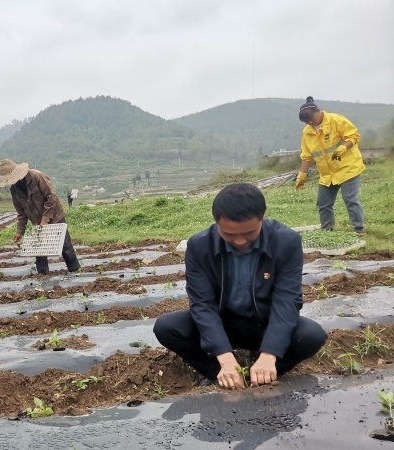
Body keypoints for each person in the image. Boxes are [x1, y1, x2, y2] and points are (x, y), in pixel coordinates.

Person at [153, 183, 326, 389]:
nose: (240, 241)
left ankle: (265, 372)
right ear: (217, 223)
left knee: (312, 335)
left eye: (249, 233)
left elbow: (287, 299)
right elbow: (202, 304)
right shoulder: (200, 246)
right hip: (222, 324)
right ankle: (219, 374)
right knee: (167, 327)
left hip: (263, 325)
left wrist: (270, 353)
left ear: (262, 218)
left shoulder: (286, 242)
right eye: (229, 234)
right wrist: (225, 359)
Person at [0, 159, 80, 275]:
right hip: (36, 220)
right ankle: (42, 275)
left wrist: (45, 219)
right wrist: (20, 232)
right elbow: (21, 212)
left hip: (55, 216)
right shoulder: (14, 189)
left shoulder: (36, 176)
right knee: (39, 250)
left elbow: (52, 197)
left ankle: (75, 271)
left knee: (66, 247)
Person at [295, 96, 366, 235]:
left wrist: (344, 148)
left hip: (348, 168)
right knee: (323, 203)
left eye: (311, 119)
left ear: (317, 112)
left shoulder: (336, 120)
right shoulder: (307, 132)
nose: (310, 122)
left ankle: (359, 230)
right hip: (327, 174)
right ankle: (327, 232)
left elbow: (354, 136)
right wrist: (301, 176)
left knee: (350, 199)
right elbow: (307, 156)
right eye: (306, 121)